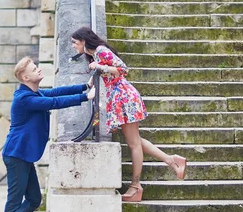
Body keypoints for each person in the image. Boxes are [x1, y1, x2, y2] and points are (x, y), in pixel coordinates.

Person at [70, 27, 186, 202]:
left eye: (75, 42)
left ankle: (136, 186)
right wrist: (93, 77)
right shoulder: (95, 54)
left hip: (124, 96)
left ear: (84, 41)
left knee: (133, 144)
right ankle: (171, 161)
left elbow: (122, 69)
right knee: (135, 141)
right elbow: (106, 72)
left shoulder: (100, 51)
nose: (73, 46)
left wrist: (100, 66)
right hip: (119, 98)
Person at [0, 56, 96, 212]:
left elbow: (56, 92)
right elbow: (54, 102)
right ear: (25, 77)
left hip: (23, 155)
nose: (39, 70)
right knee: (15, 199)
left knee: (34, 198)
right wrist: (85, 98)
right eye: (34, 69)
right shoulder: (24, 99)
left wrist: (84, 86)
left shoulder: (35, 93)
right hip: (16, 154)